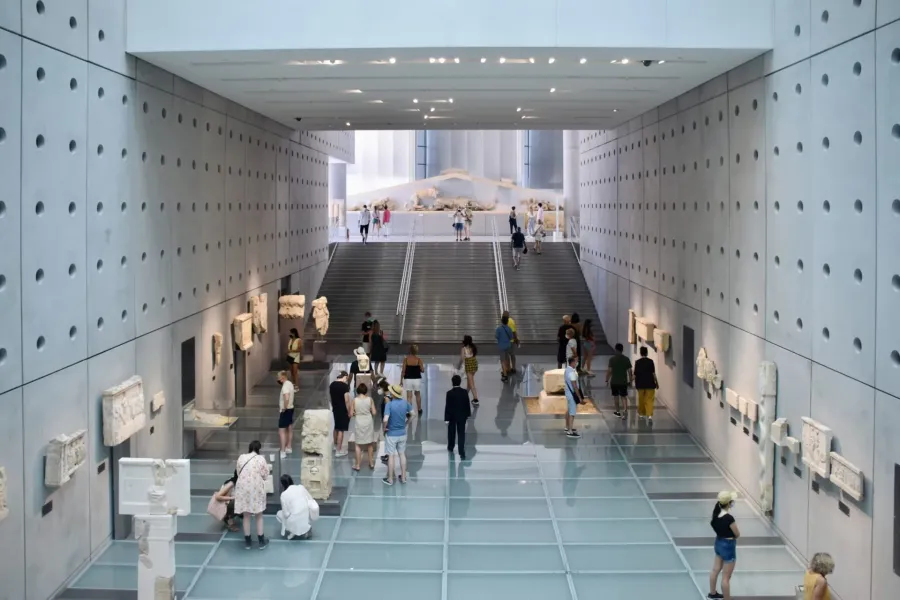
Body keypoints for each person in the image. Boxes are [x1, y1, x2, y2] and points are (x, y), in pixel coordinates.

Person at [235, 440, 270, 550]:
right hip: (256, 488)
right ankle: (261, 540)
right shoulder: (261, 459)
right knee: (258, 515)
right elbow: (265, 475)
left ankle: (248, 542)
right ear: (259, 449)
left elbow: (238, 472)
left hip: (242, 488)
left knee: (246, 515)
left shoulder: (241, 457)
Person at [708, 491, 741, 600]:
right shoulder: (728, 518)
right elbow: (737, 534)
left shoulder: (715, 514)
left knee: (715, 570)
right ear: (728, 503)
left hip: (718, 543)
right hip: (728, 546)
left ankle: (712, 593)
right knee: (726, 578)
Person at [382, 384, 411, 485]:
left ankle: (390, 479)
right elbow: (413, 414)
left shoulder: (389, 405)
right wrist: (406, 423)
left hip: (391, 433)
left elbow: (385, 419)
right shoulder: (405, 403)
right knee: (402, 454)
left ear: (392, 394)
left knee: (391, 456)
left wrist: (384, 427)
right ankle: (403, 477)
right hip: (402, 433)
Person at [276, 474, 319, 540]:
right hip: (306, 515)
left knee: (279, 514)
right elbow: (310, 500)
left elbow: (286, 514)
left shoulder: (283, 495)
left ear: (282, 485)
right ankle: (305, 527)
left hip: (293, 518)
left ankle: (292, 530)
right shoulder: (300, 487)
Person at [350, 382, 377, 471]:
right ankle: (371, 463)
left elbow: (350, 414)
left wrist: (355, 413)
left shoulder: (354, 400)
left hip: (359, 422)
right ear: (366, 391)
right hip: (368, 422)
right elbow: (374, 413)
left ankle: (357, 465)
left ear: (358, 391)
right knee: (370, 444)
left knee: (358, 444)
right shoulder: (370, 399)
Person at [445, 374, 471, 459]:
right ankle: (461, 451)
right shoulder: (464, 392)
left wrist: (447, 418)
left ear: (452, 382)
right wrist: (467, 414)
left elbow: (447, 406)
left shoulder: (449, 393)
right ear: (460, 382)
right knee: (461, 434)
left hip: (452, 417)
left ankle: (450, 447)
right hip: (462, 416)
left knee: (451, 433)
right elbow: (467, 404)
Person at [606, 343, 633, 419]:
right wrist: (630, 381)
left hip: (614, 382)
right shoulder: (626, 359)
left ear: (615, 350)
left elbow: (609, 371)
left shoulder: (612, 359)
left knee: (616, 397)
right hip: (623, 381)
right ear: (622, 350)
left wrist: (606, 380)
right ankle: (625, 411)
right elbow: (630, 371)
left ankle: (617, 412)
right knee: (624, 397)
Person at [329, 371, 351, 457]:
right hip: (343, 409)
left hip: (335, 408)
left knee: (336, 427)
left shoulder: (332, 385)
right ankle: (339, 450)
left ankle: (334, 445)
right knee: (341, 429)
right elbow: (346, 400)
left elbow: (330, 397)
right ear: (345, 377)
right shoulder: (344, 387)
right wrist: (349, 410)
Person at [634, 346, 658, 422]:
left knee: (641, 399)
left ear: (641, 353)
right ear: (647, 353)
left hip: (640, 384)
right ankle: (649, 415)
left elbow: (635, 374)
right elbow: (653, 373)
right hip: (650, 383)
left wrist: (630, 381)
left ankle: (641, 414)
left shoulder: (637, 362)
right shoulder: (651, 362)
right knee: (649, 400)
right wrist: (657, 383)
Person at [401, 344, 425, 416]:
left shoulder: (406, 360)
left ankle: (409, 411)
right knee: (417, 394)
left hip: (408, 379)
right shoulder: (419, 360)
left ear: (410, 351)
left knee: (409, 396)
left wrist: (400, 380)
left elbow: (403, 371)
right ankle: (419, 409)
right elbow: (422, 370)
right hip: (417, 379)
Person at [276, 371, 295, 459]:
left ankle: (283, 451)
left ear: (283, 377)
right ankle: (289, 447)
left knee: (281, 431)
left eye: (278, 377)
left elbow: (286, 397)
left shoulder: (285, 386)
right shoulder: (290, 383)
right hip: (291, 409)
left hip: (286, 410)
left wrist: (284, 407)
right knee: (289, 428)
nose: (278, 379)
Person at [563, 355, 582, 438]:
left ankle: (567, 427)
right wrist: (579, 397)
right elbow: (575, 387)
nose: (577, 363)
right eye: (576, 361)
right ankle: (570, 431)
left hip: (567, 393)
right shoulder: (572, 373)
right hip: (572, 394)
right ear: (572, 362)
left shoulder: (567, 370)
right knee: (572, 413)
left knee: (569, 410)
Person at [459, 335, 479, 406]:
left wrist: (459, 366)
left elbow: (462, 358)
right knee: (469, 382)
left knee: (471, 383)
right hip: (474, 365)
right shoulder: (473, 347)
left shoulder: (463, 348)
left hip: (468, 366)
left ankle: (476, 399)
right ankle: (465, 395)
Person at [495, 315, 515, 382]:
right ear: (507, 322)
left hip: (502, 346)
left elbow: (496, 336)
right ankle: (508, 369)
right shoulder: (509, 328)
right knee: (507, 358)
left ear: (501, 321)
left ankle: (505, 375)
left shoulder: (498, 329)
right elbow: (511, 337)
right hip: (508, 345)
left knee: (503, 360)